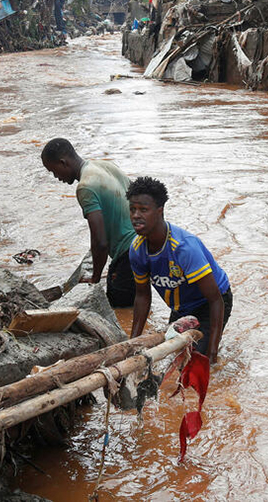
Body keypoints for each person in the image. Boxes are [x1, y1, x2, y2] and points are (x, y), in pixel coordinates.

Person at [127, 177, 232, 364]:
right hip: (182, 307)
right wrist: (132, 345)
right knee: (174, 356)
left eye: (143, 210)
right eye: (132, 209)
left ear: (160, 211)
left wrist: (212, 353)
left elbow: (215, 299)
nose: (136, 215)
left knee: (197, 361)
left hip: (211, 303)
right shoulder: (137, 249)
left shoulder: (183, 247)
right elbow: (142, 296)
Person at [41, 138, 136, 307]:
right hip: (144, 244)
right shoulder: (105, 166)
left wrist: (95, 277)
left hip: (127, 253)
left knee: (120, 308)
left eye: (53, 171)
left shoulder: (85, 187)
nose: (56, 177)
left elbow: (100, 242)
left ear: (63, 162)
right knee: (139, 298)